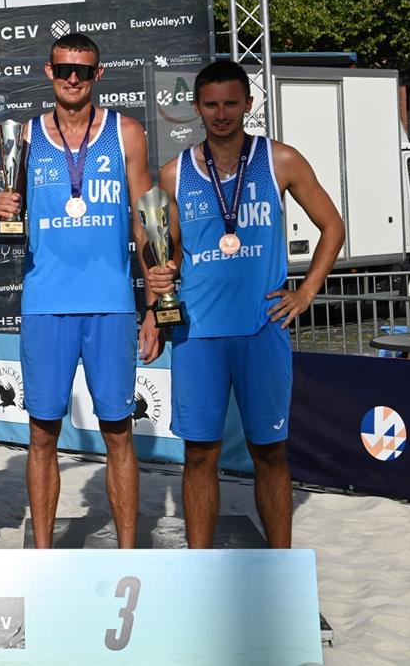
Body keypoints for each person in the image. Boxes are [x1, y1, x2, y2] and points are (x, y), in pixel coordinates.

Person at [146, 60, 343, 549]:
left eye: (231, 103)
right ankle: (200, 565)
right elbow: (164, 254)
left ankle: (279, 566)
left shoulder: (281, 160)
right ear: (196, 107)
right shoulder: (174, 174)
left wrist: (306, 291)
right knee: (199, 455)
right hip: (197, 334)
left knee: (270, 452)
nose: (221, 114)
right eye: (211, 104)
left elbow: (332, 227)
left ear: (248, 105)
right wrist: (154, 304)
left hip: (262, 330)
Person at [0, 33, 156, 549]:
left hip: (110, 307)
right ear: (49, 71)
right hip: (47, 306)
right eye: (63, 68)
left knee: (118, 433)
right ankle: (43, 553)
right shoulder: (24, 137)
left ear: (97, 74)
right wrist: (1, 207)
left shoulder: (126, 133)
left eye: (82, 70)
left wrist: (155, 306)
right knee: (42, 434)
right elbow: (12, 210)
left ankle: (129, 553)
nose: (72, 78)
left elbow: (147, 223)